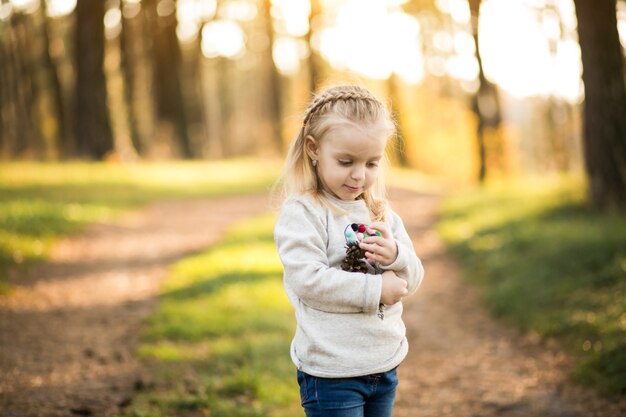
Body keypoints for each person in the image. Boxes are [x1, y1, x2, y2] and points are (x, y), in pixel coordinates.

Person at [273, 84, 424, 417]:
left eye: (372, 163)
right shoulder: (304, 213)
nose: (359, 175)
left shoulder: (381, 213)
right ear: (313, 149)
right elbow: (307, 281)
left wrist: (397, 255)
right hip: (332, 372)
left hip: (384, 363)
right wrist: (376, 288)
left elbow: (412, 277)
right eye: (346, 161)